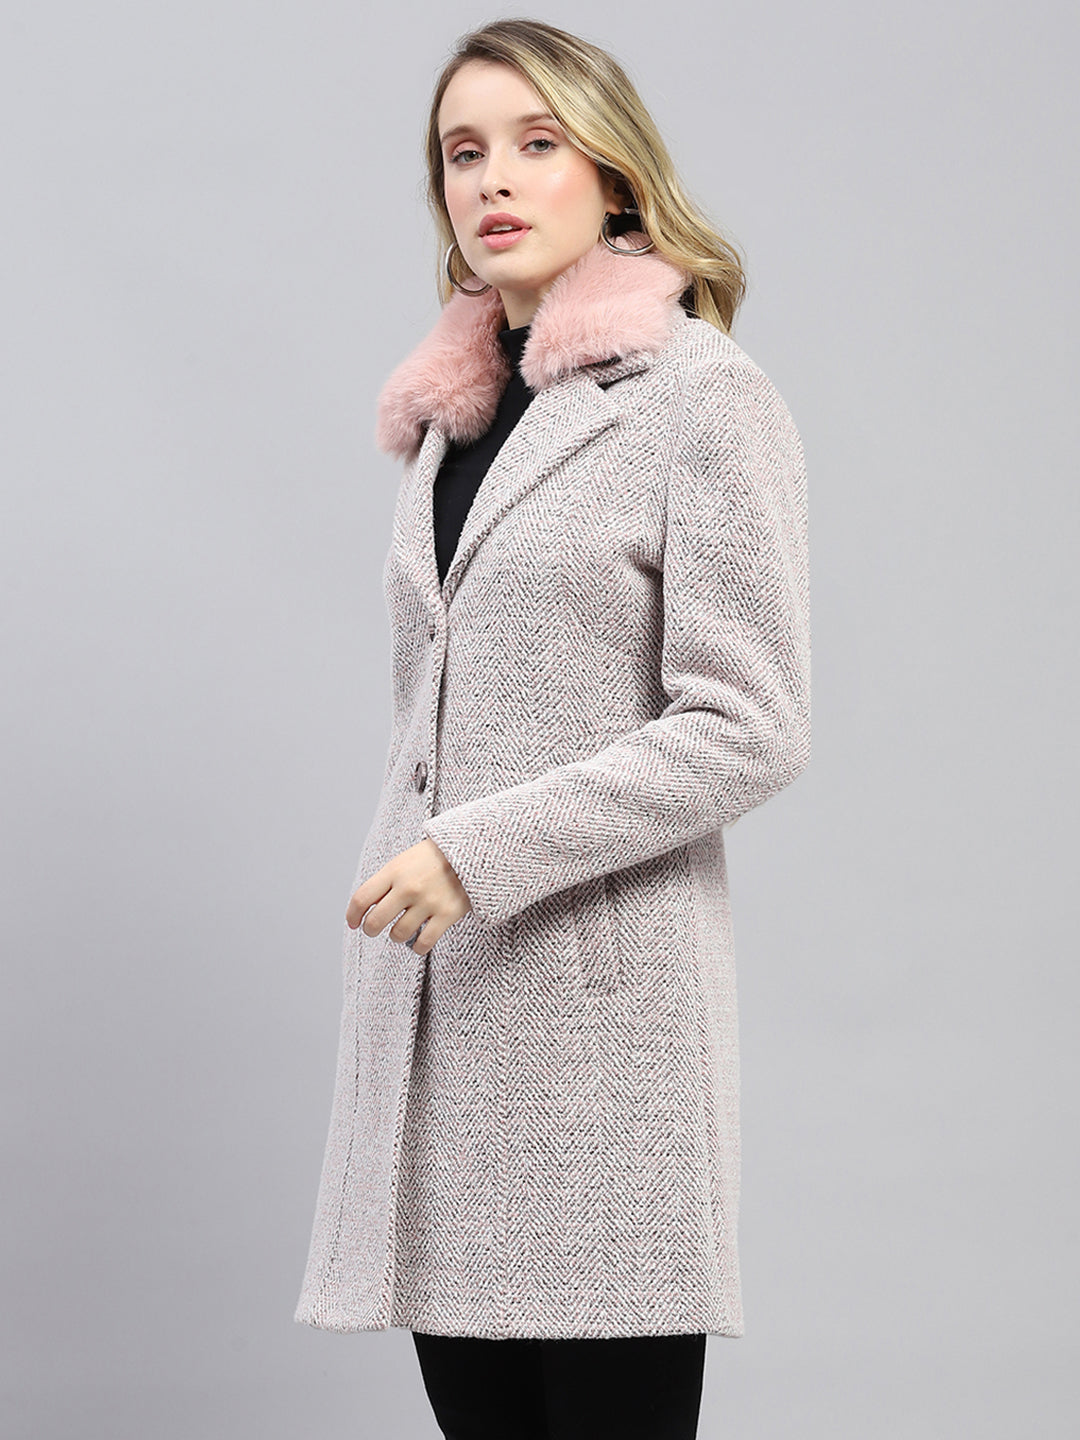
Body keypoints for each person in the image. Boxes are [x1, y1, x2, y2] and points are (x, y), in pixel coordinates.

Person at [293, 17, 812, 1439]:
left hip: (601, 1040)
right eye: (463, 153)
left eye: (537, 142)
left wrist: (475, 852)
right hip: (440, 1013)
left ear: (615, 175)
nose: (494, 179)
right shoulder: (452, 422)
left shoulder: (701, 399)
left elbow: (751, 723)